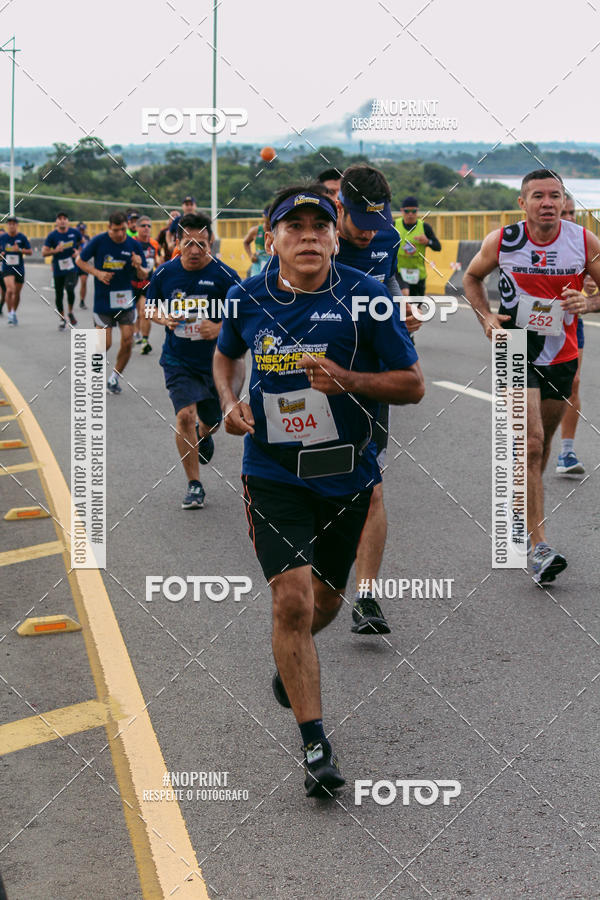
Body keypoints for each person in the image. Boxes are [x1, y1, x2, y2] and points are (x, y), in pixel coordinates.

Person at [213, 184, 424, 797]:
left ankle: (292, 661)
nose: (308, 236)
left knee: (327, 603)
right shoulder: (245, 297)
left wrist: (348, 380)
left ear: (336, 236)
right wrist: (228, 402)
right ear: (270, 237)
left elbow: (412, 385)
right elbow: (226, 359)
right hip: (273, 474)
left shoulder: (368, 298)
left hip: (344, 473)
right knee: (292, 603)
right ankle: (315, 744)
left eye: (319, 226)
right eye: (293, 226)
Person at [464, 169, 600, 584]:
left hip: (562, 353)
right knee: (532, 441)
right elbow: (471, 278)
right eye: (538, 196)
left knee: (542, 444)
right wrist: (486, 317)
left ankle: (522, 505)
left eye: (554, 196)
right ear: (523, 204)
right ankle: (540, 547)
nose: (547, 202)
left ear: (563, 202)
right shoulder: (504, 241)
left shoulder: (583, 241)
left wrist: (589, 304)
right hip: (515, 348)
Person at [336, 163, 422, 636]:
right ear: (339, 208)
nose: (369, 235)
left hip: (371, 380)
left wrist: (400, 307)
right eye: (359, 225)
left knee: (371, 488)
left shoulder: (386, 235)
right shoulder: (314, 242)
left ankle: (366, 597)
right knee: (314, 491)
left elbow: (387, 283)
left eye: (377, 223)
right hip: (314, 380)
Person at [145, 213, 241, 508]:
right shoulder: (164, 274)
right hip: (177, 359)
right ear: (177, 242)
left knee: (212, 421)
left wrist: (220, 327)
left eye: (201, 243)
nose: (195, 249)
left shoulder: (226, 276)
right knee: (185, 415)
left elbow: (245, 315)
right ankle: (195, 485)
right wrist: (164, 318)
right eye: (188, 243)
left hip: (215, 362)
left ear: (210, 243)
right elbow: (149, 309)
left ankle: (203, 433)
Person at [75, 212, 148, 394]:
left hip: (125, 301)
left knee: (127, 341)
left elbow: (144, 275)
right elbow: (80, 261)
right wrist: (98, 273)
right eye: (116, 230)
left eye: (123, 229)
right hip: (103, 301)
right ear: (109, 228)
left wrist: (138, 265)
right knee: (104, 344)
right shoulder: (99, 241)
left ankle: (114, 377)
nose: (120, 234)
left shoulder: (133, 245)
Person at [556, 195, 585, 475]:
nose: (568, 218)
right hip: (527, 329)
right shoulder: (522, 241)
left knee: (573, 382)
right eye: (563, 212)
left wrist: (588, 300)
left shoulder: (584, 244)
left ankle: (566, 452)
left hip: (570, 324)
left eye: (572, 212)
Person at [42, 212, 83, 329]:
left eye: (65, 218)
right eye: (60, 219)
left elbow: (84, 244)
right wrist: (55, 251)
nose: (62, 221)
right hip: (58, 269)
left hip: (71, 267)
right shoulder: (52, 236)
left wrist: (79, 252)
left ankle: (70, 312)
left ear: (68, 221)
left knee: (70, 289)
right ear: (56, 221)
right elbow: (44, 252)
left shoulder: (74, 233)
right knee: (58, 294)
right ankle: (62, 317)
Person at [394, 196, 441, 296]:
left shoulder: (424, 227)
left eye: (413, 211)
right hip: (399, 272)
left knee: (416, 309)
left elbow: (438, 247)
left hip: (418, 274)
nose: (410, 214)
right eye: (407, 211)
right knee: (404, 296)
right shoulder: (394, 225)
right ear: (402, 211)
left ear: (417, 211)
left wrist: (428, 241)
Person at [131, 216, 160, 354]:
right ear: (136, 228)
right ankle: (133, 333)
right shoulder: (131, 243)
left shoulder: (154, 244)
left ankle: (144, 341)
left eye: (149, 226)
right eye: (143, 226)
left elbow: (157, 260)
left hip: (147, 284)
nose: (146, 228)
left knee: (144, 312)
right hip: (131, 284)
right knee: (132, 313)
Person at [0, 217, 32, 326]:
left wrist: (19, 250)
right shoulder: (2, 238)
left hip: (19, 268)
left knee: (17, 293)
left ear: (17, 225)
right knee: (10, 290)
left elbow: (30, 251)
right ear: (7, 225)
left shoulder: (22, 237)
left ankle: (13, 312)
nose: (11, 226)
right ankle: (9, 314)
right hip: (7, 268)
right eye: (9, 224)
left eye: (14, 224)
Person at [242, 208, 270, 276]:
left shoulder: (278, 231)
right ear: (263, 216)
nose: (269, 224)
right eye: (267, 220)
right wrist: (251, 255)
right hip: (258, 265)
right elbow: (245, 242)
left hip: (272, 265)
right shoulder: (256, 230)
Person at [77, 222, 91, 308]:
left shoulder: (87, 238)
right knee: (72, 284)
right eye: (80, 230)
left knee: (84, 281)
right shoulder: (73, 237)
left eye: (83, 230)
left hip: (83, 262)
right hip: (73, 262)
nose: (82, 231)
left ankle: (82, 301)